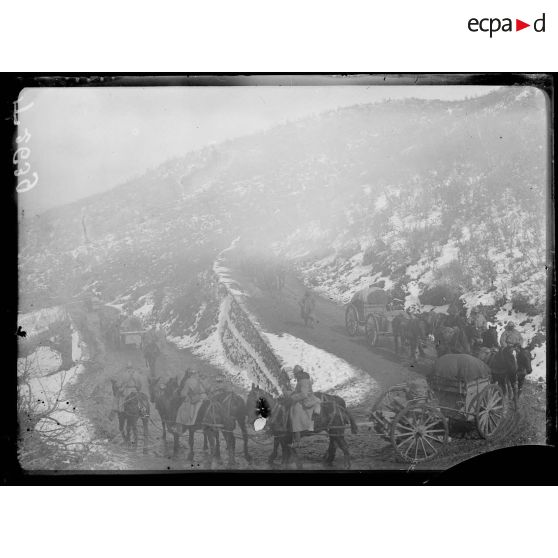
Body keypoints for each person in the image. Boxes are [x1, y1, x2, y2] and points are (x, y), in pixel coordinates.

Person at [289, 365, 321, 442]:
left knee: (295, 411)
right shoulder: (302, 380)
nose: (295, 376)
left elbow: (304, 394)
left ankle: (298, 433)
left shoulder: (304, 381)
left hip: (308, 400)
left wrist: (292, 398)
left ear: (298, 373)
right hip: (304, 399)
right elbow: (299, 392)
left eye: (295, 374)